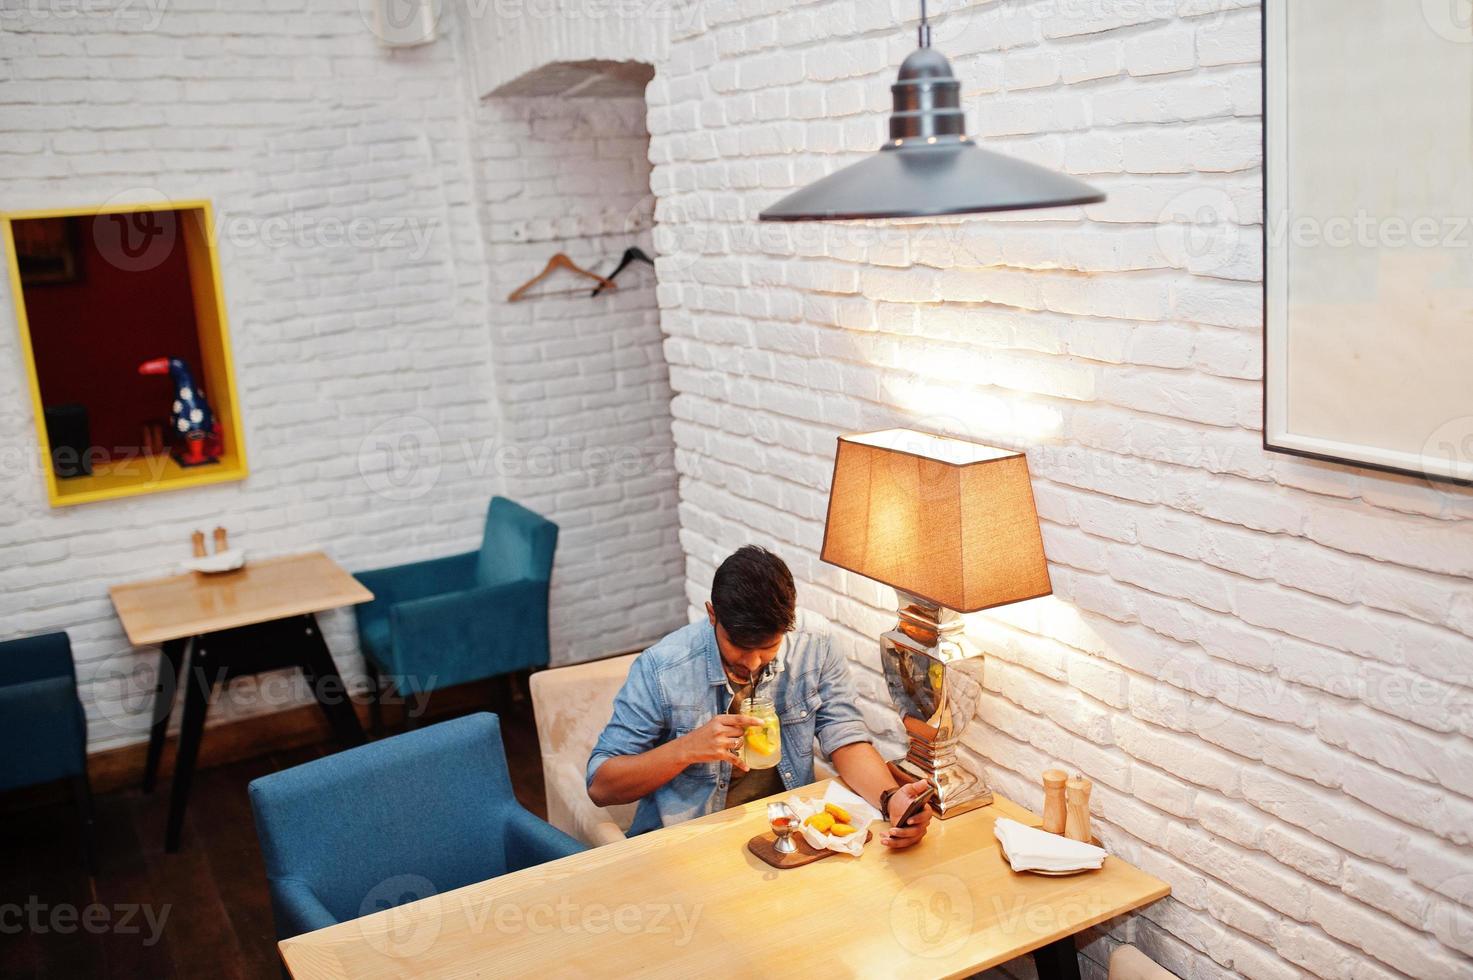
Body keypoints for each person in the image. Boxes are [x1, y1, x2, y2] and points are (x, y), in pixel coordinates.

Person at [587, 545, 934, 847]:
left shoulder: (816, 643)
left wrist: (890, 800)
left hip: (783, 830)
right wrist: (687, 749)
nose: (752, 663)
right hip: (688, 841)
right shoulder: (662, 668)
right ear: (712, 615)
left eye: (768, 647)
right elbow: (601, 786)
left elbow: (844, 736)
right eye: (738, 646)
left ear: (789, 623)